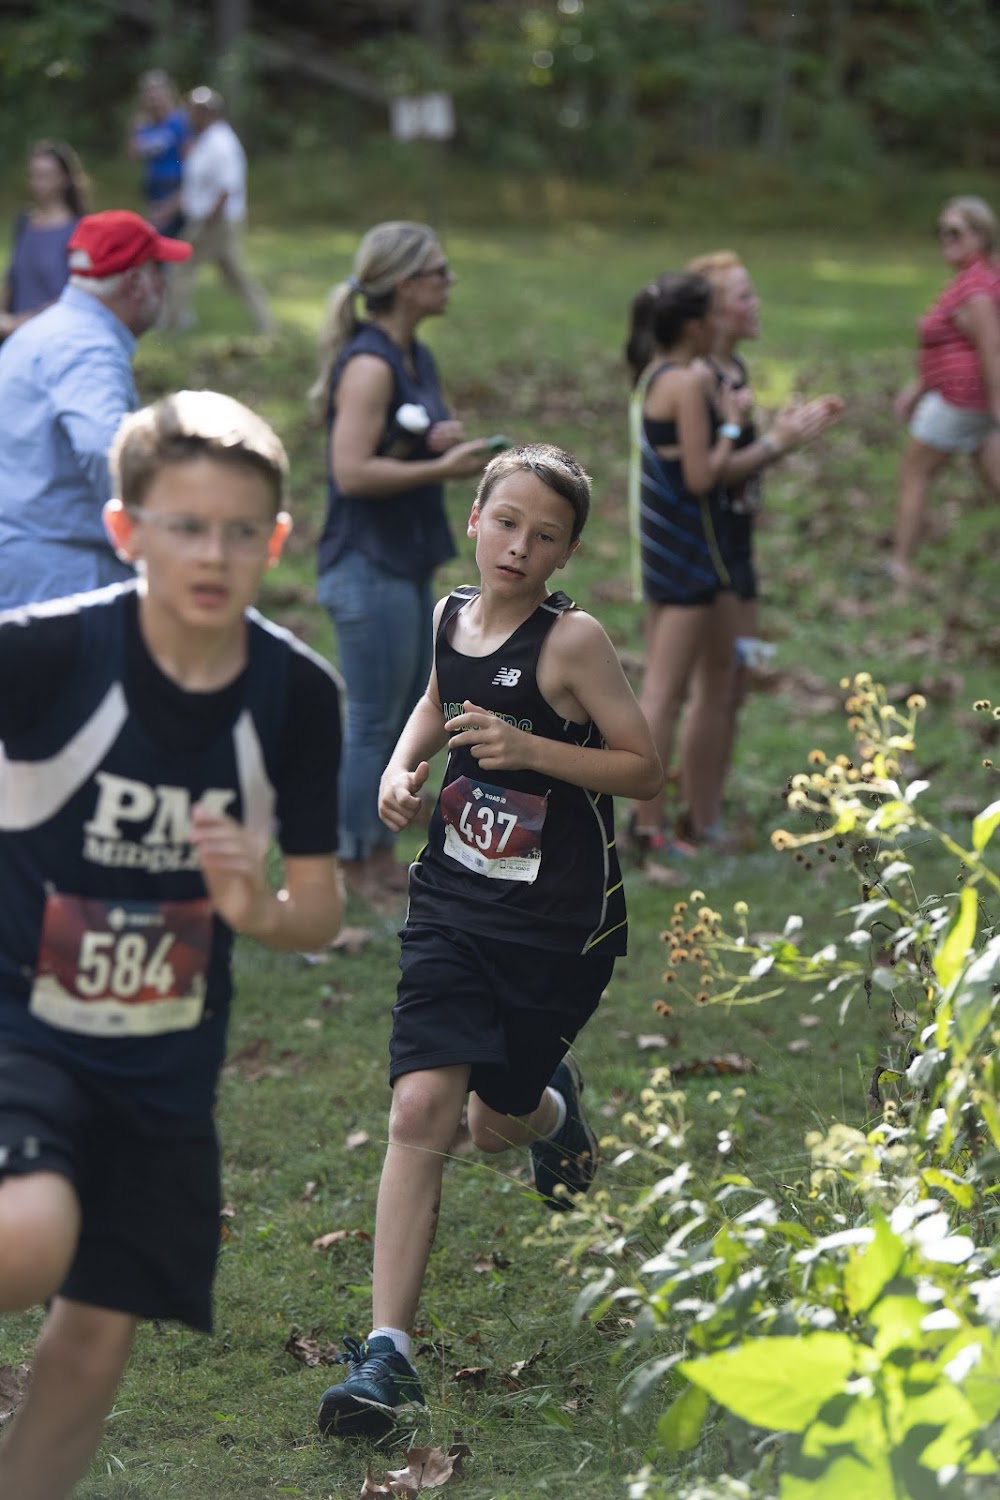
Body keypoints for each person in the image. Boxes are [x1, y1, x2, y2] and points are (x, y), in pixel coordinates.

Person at [0, 388, 343, 1500]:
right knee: (27, 1236)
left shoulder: (297, 695)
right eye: (185, 526)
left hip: (163, 1061)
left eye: (241, 532)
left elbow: (320, 911)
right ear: (125, 530)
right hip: (19, 1023)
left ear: (275, 543)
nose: (213, 554)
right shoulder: (46, 653)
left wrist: (254, 907)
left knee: (95, 1344)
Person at [316, 443, 662, 1439]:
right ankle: (386, 1358)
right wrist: (400, 769)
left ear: (566, 554)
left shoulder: (573, 643)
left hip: (558, 924)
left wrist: (531, 749)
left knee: (494, 1120)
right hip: (453, 901)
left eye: (545, 535)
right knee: (422, 1105)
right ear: (474, 519)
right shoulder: (448, 616)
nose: (519, 546)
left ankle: (551, 1112)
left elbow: (644, 769)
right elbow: (435, 702)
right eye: (506, 522)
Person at [309, 221, 490, 902]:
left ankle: (381, 856)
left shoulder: (416, 357)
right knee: (374, 721)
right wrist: (442, 467)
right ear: (407, 284)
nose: (451, 281)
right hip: (366, 562)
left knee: (407, 717)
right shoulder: (371, 364)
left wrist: (432, 445)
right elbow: (351, 471)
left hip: (405, 558)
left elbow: (392, 445)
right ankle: (352, 864)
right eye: (439, 271)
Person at [680, 251, 842, 845]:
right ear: (714, 313)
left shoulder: (734, 369)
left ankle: (711, 810)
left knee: (737, 680)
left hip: (738, 547)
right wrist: (779, 442)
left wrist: (784, 432)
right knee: (716, 682)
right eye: (743, 296)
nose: (756, 305)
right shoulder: (699, 377)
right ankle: (699, 821)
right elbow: (709, 473)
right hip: (709, 551)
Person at [0, 210, 191, 609]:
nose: (164, 284)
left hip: (23, 560)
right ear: (136, 284)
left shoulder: (43, 332)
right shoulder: (88, 347)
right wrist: (155, 537)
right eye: (159, 271)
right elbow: (103, 447)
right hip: (63, 575)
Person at [891, 195, 1000, 586]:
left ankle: (901, 566)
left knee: (915, 473)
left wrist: (997, 402)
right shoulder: (974, 279)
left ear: (980, 236)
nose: (946, 238)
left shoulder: (976, 286)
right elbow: (956, 343)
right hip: (968, 398)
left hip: (961, 399)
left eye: (955, 231)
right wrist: (919, 387)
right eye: (941, 231)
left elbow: (990, 346)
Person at [164, 87, 275, 334]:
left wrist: (206, 222)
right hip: (213, 219)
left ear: (205, 113)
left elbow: (227, 189)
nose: (187, 116)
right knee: (234, 275)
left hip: (216, 221)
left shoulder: (222, 143)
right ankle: (267, 325)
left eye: (191, 111)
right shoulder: (207, 140)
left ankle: (171, 324)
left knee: (182, 265)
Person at [0, 140, 89, 340]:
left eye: (47, 176)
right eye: (35, 175)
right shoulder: (24, 221)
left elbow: (76, 294)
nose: (39, 183)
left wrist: (21, 322)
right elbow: (12, 279)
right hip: (14, 336)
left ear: (64, 179)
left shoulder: (78, 229)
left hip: (54, 336)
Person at [127, 70, 189, 238]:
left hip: (176, 184)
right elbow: (133, 155)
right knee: (155, 234)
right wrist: (135, 132)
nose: (154, 98)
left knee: (174, 236)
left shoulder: (180, 121)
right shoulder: (143, 124)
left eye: (158, 93)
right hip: (153, 185)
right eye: (149, 94)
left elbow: (190, 158)